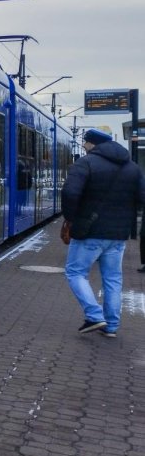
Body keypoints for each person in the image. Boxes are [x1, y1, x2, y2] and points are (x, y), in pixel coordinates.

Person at [61, 128, 145, 337]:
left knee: (75, 272)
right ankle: (111, 326)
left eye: (85, 143)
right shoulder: (133, 168)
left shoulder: (85, 163)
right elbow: (142, 198)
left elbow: (70, 192)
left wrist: (71, 218)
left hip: (89, 231)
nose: (83, 146)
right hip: (118, 234)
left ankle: (94, 315)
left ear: (92, 144)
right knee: (113, 279)